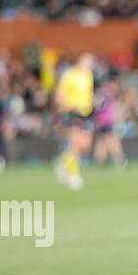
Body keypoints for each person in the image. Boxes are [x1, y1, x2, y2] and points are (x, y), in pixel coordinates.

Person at [53, 54, 95, 190]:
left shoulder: (88, 75)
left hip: (86, 113)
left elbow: (88, 94)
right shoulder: (69, 75)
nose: (89, 64)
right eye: (87, 61)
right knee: (75, 144)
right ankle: (73, 176)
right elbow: (60, 93)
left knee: (85, 146)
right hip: (72, 112)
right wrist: (63, 107)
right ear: (79, 61)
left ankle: (62, 161)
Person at [91, 81, 127, 168]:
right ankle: (119, 159)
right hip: (105, 122)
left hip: (104, 122)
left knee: (104, 141)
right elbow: (98, 107)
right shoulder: (104, 95)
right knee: (110, 140)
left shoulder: (106, 95)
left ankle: (101, 160)